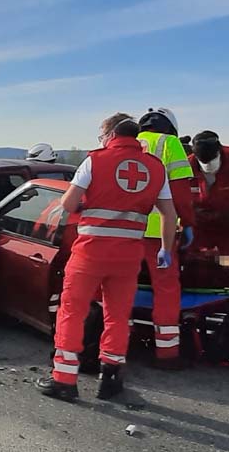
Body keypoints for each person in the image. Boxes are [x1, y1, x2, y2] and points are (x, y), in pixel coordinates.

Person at [37, 114, 177, 402]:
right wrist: (166, 248)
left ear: (111, 135)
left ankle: (64, 379)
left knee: (72, 312)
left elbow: (69, 203)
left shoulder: (95, 160)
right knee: (117, 316)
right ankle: (111, 379)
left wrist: (90, 202)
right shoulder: (155, 167)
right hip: (128, 257)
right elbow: (169, 214)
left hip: (90, 252)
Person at [136, 107, 196, 367]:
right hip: (159, 233)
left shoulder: (128, 143)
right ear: (171, 128)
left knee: (116, 285)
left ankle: (113, 346)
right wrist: (189, 223)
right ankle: (167, 354)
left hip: (125, 231)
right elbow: (181, 193)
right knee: (167, 289)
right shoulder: (170, 143)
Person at [187, 131, 229, 253]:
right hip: (199, 227)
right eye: (203, 161)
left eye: (212, 159)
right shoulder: (186, 166)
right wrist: (185, 224)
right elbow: (178, 197)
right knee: (195, 265)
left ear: (219, 150)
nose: (209, 164)